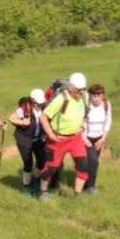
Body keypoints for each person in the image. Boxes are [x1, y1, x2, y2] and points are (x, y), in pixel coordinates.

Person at [37, 72, 91, 201]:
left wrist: (82, 127)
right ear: (70, 87)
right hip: (58, 139)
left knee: (83, 166)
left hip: (75, 139)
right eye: (79, 89)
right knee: (51, 168)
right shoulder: (61, 99)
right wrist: (51, 135)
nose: (81, 91)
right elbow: (43, 117)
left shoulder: (85, 97)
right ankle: (43, 192)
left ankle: (77, 195)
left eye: (83, 88)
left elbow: (85, 114)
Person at [9, 88, 48, 195]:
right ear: (32, 100)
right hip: (24, 139)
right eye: (37, 102)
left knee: (42, 160)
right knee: (28, 163)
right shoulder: (25, 107)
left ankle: (35, 179)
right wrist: (22, 122)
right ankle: (27, 186)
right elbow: (11, 118)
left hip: (38, 139)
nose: (40, 104)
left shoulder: (44, 107)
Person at [82, 83, 112, 194]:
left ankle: (86, 184)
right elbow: (80, 124)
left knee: (92, 163)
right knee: (92, 162)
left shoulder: (106, 105)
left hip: (99, 138)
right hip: (86, 137)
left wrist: (102, 140)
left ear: (102, 95)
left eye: (98, 96)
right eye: (94, 96)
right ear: (90, 96)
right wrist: (85, 139)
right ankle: (90, 187)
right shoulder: (86, 105)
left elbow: (108, 122)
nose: (96, 99)